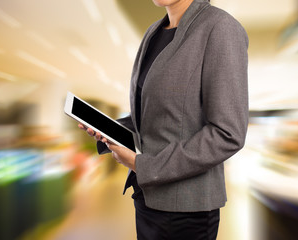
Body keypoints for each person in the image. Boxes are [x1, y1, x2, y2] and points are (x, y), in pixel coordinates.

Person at [79, 0, 248, 239]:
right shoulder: (153, 33)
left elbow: (227, 134)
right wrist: (111, 129)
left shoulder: (220, 28)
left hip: (187, 213)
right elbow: (155, 115)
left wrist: (143, 166)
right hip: (147, 199)